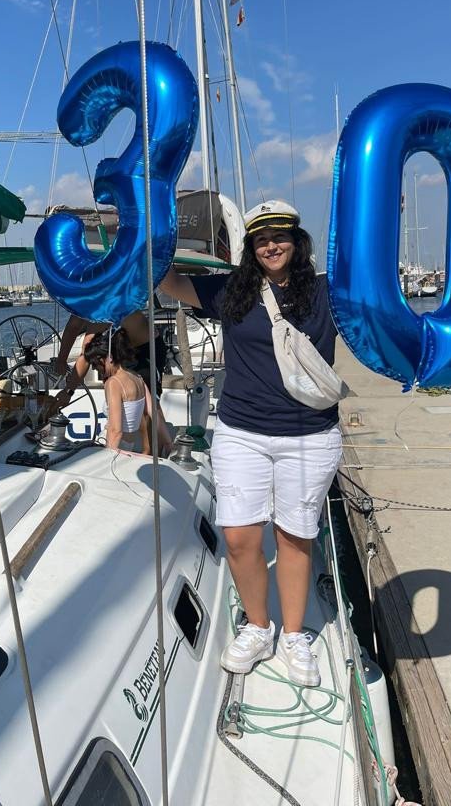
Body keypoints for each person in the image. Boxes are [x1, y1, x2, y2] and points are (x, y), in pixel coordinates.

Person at [159, 200, 342, 687]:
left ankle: (295, 635)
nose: (272, 245)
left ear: (296, 241)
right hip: (242, 431)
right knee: (240, 537)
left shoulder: (327, 292)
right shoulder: (231, 293)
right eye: (261, 239)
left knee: (295, 537)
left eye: (280, 236)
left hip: (310, 434)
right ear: (250, 246)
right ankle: (259, 627)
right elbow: (168, 283)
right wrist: (149, 236)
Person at [83, 329, 173, 454]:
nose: (94, 368)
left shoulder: (113, 383)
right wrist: (168, 442)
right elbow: (153, 412)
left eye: (94, 364)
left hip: (113, 445)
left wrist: (106, 458)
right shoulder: (137, 377)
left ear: (106, 358)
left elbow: (116, 430)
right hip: (128, 445)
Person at [53, 309, 167, 407]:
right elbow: (73, 327)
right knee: (125, 402)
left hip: (146, 350)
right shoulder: (86, 299)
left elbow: (87, 351)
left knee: (147, 406)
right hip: (124, 349)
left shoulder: (104, 306)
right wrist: (61, 359)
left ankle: (156, 431)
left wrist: (68, 391)